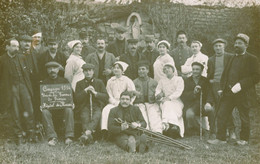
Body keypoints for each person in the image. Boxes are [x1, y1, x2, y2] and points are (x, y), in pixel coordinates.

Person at [208, 33, 260, 145]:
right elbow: (225, 74)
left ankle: (244, 139)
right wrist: (222, 88)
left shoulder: (252, 58)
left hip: (243, 94)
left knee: (244, 117)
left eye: (240, 43)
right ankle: (221, 138)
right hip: (228, 93)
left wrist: (241, 84)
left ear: (246, 45)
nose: (236, 45)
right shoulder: (232, 57)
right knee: (222, 113)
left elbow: (256, 76)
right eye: (236, 43)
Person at [0, 39, 35, 145]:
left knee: (29, 109)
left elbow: (27, 73)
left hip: (23, 85)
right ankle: (18, 135)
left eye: (17, 46)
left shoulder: (22, 57)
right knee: (14, 111)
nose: (17, 49)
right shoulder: (2, 60)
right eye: (14, 46)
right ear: (7, 47)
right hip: (11, 88)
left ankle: (31, 134)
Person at [205, 38, 235, 140]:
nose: (218, 48)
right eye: (216, 46)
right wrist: (211, 80)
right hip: (215, 85)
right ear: (213, 47)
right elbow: (210, 73)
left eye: (220, 46)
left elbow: (233, 72)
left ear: (224, 46)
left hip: (227, 86)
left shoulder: (230, 57)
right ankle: (220, 131)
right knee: (218, 109)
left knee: (226, 108)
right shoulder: (211, 59)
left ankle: (231, 130)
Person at [41, 61, 74, 146]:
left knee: (69, 109)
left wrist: (72, 102)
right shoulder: (43, 83)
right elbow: (41, 98)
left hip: (62, 109)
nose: (52, 70)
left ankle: (69, 136)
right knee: (44, 111)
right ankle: (52, 137)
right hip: (51, 109)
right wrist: (41, 105)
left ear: (58, 70)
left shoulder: (64, 81)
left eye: (54, 68)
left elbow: (71, 95)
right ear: (47, 70)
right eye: (50, 68)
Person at [74, 63, 108, 144]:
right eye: (86, 71)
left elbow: (106, 96)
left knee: (96, 116)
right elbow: (76, 99)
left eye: (90, 71)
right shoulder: (79, 83)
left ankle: (86, 135)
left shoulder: (99, 82)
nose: (88, 73)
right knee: (84, 117)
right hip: (84, 106)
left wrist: (95, 93)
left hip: (97, 105)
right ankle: (89, 136)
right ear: (83, 72)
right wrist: (85, 91)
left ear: (93, 72)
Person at [101, 61, 135, 138]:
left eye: (118, 68)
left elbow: (132, 93)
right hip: (113, 102)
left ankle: (126, 131)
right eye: (114, 68)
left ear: (122, 71)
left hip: (125, 102)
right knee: (106, 110)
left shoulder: (127, 80)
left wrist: (128, 102)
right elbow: (108, 93)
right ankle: (105, 131)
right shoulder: (110, 80)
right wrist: (114, 102)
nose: (116, 70)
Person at [181, 62, 215, 137]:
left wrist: (208, 103)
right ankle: (201, 130)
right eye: (193, 69)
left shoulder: (205, 81)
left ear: (201, 70)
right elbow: (183, 95)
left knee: (211, 110)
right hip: (191, 105)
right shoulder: (186, 81)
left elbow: (210, 93)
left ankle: (213, 132)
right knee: (189, 115)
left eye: (197, 69)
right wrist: (193, 93)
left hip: (203, 104)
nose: (195, 71)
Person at [155, 63, 184, 138]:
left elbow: (179, 91)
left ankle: (165, 124)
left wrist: (169, 98)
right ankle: (174, 126)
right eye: (164, 69)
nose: (166, 70)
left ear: (173, 70)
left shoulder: (179, 79)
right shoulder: (162, 81)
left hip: (176, 101)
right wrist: (159, 96)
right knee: (167, 104)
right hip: (164, 101)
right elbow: (158, 90)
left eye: (168, 68)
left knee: (169, 105)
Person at [133, 61, 162, 133]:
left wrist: (159, 95)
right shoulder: (134, 82)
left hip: (151, 103)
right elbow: (130, 93)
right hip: (139, 103)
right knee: (142, 115)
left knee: (154, 114)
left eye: (143, 69)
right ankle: (146, 132)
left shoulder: (154, 82)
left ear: (148, 70)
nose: (141, 71)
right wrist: (133, 93)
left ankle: (157, 132)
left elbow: (159, 92)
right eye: (139, 69)